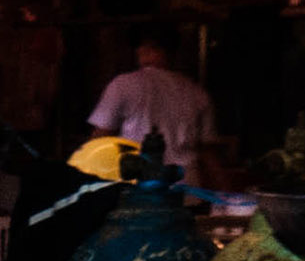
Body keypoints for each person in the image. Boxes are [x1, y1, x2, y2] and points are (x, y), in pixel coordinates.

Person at [87, 36, 217, 170]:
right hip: (184, 180)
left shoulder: (123, 84)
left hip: (139, 180)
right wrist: (225, 188)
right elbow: (208, 151)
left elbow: (101, 136)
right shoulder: (196, 92)